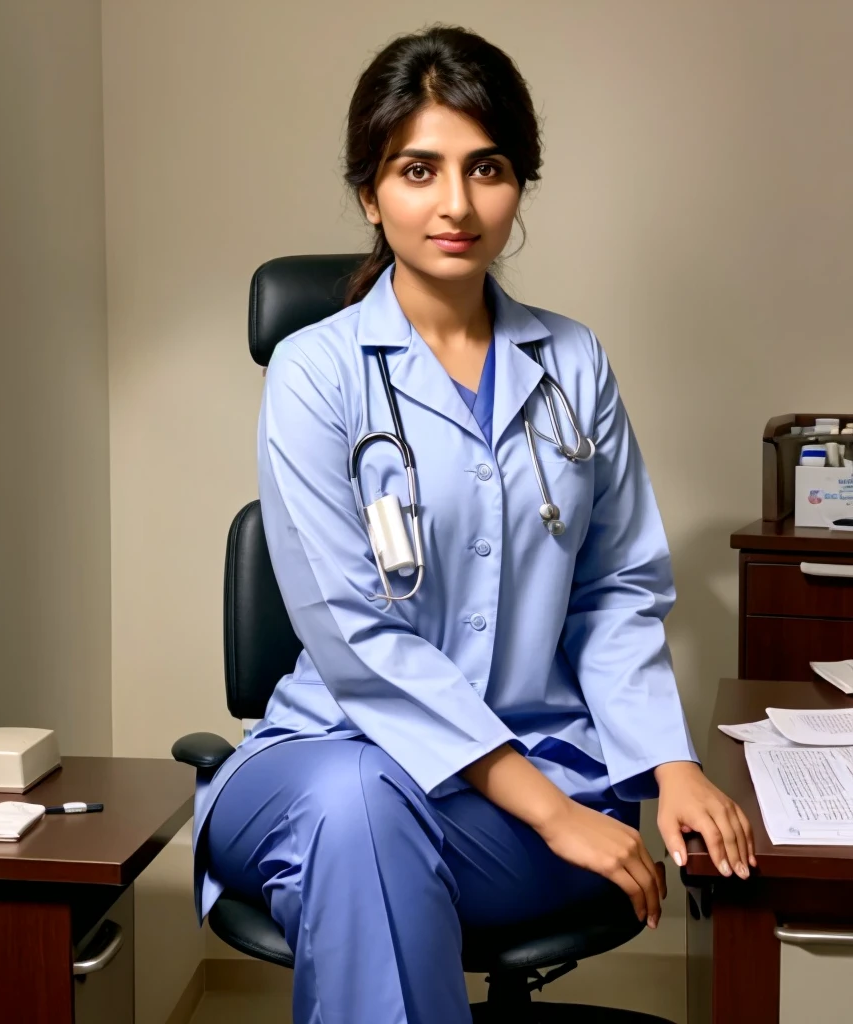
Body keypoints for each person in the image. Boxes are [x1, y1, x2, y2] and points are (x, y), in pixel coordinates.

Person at [192, 23, 754, 1024]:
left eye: (485, 168)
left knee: (366, 840)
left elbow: (617, 590)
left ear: (519, 184)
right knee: (357, 803)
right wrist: (554, 818)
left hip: (530, 782)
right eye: (418, 169)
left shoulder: (572, 365)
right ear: (371, 192)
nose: (455, 204)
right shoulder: (314, 374)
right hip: (323, 756)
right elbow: (357, 639)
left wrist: (669, 764)